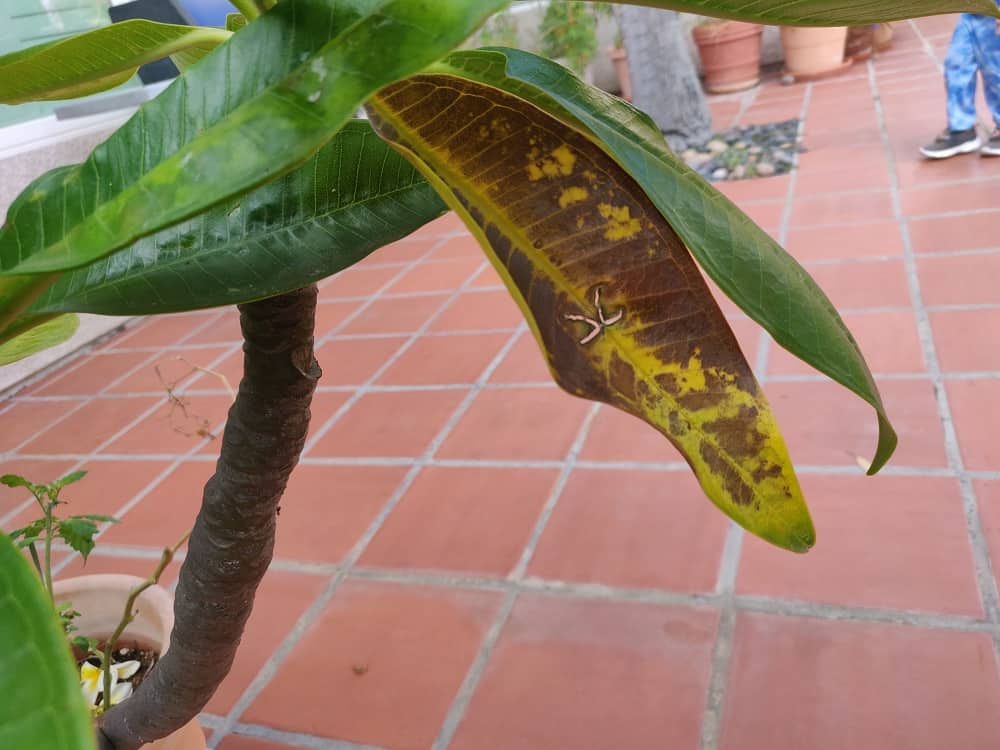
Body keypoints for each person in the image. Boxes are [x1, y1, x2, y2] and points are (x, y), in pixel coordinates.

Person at [920, 13, 1000, 158]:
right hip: (970, 11)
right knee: (957, 63)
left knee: (995, 69)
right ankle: (961, 129)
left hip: (994, 11)